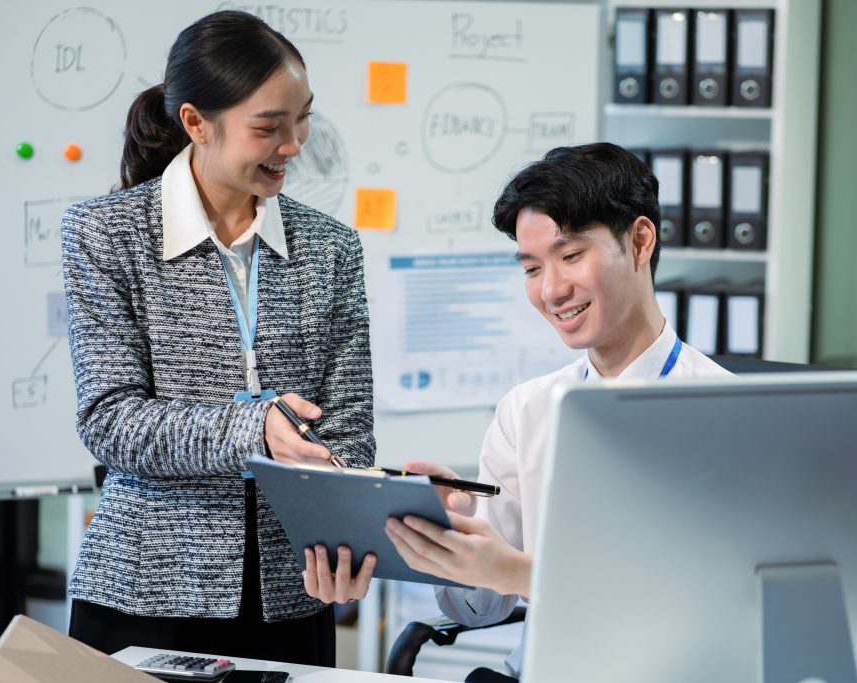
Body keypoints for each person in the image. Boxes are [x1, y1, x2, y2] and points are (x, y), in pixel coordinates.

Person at [61, 10, 375, 666]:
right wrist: (255, 428)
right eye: (268, 126)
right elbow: (111, 420)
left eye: (303, 119)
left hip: (292, 595)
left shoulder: (332, 248)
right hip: (145, 589)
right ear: (196, 123)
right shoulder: (106, 234)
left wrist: (344, 536)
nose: (294, 145)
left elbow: (348, 424)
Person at [371, 143, 731, 681]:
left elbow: (701, 605)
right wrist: (455, 534)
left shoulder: (724, 413)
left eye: (571, 256)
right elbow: (477, 609)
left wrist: (519, 572)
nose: (551, 290)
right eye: (532, 268)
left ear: (640, 241)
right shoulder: (526, 411)